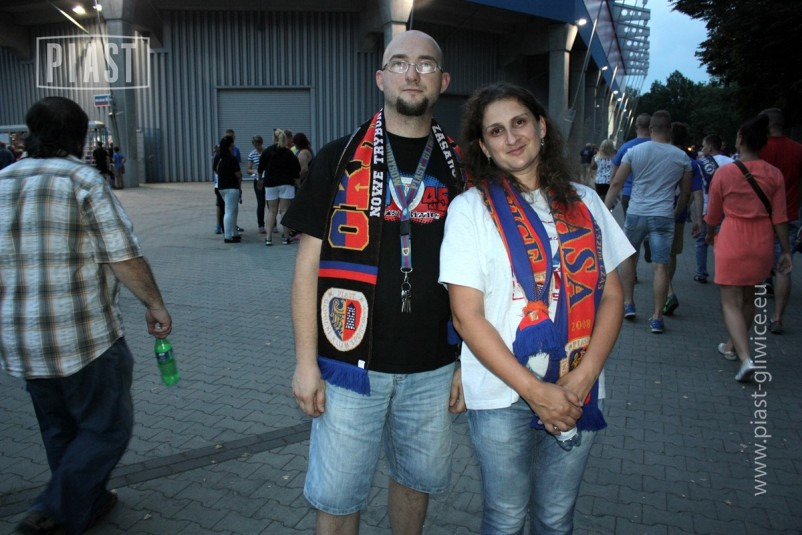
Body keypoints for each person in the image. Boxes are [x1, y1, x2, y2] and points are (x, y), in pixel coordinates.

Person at [282, 30, 464, 535]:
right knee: (338, 498)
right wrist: (305, 363)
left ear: (443, 81)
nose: (413, 73)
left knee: (415, 484)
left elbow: (481, 276)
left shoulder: (463, 166)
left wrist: (468, 363)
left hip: (434, 366)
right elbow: (307, 268)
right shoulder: (339, 158)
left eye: (426, 64)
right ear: (381, 78)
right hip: (347, 367)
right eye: (400, 63)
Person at [440, 82, 633, 534]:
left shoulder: (585, 201)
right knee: (506, 518)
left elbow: (612, 295)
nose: (512, 138)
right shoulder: (469, 210)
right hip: (501, 393)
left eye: (519, 122)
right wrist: (535, 391)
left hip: (577, 386)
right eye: (496, 131)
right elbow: (466, 316)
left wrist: (582, 379)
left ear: (541, 127)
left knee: (556, 517)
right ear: (483, 146)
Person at [0, 96, 172, 535]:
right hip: (84, 338)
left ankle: (85, 503)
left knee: (59, 429)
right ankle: (52, 510)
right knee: (108, 428)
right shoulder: (82, 180)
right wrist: (154, 304)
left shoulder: (2, 181)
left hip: (22, 340)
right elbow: (122, 256)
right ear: (78, 136)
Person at [705, 114, 791, 381]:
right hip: (762, 240)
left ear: (740, 139)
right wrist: (786, 250)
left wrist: (709, 234)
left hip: (733, 237)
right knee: (751, 298)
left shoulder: (725, 173)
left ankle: (745, 358)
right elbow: (780, 217)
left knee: (730, 302)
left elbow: (713, 215)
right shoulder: (774, 174)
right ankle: (732, 346)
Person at [604, 110, 692, 334]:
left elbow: (616, 183)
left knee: (628, 257)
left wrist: (604, 211)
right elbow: (685, 193)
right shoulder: (682, 157)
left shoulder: (634, 152)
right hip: (663, 215)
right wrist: (676, 212)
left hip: (636, 212)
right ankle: (657, 317)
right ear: (669, 130)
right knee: (660, 266)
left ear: (651, 128)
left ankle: (629, 304)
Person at [759, 108, 802, 334]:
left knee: (755, 262)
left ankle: (750, 310)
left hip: (759, 216)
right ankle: (777, 318)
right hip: (789, 214)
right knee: (784, 267)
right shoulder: (798, 150)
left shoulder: (759, 148)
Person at [663, 122, 704, 317]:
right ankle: (666, 288)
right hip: (677, 215)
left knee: (658, 255)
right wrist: (698, 219)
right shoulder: (692, 162)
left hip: (656, 211)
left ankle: (667, 291)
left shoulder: (661, 155)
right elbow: (696, 193)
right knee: (671, 253)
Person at [695, 134, 734, 284]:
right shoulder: (732, 162)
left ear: (710, 147)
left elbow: (698, 188)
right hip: (727, 208)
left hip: (708, 207)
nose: (702, 148)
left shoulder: (701, 164)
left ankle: (701, 273)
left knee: (702, 241)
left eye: (704, 145)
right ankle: (725, 273)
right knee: (724, 242)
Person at [258, 129, 300, 246]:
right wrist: (297, 181)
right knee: (284, 211)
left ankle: (268, 238)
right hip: (286, 184)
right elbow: (296, 169)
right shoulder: (288, 153)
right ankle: (286, 237)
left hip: (270, 184)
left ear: (273, 138)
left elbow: (260, 168)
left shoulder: (267, 151)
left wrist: (260, 180)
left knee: (272, 211)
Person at [213, 135, 242, 243]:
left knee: (233, 210)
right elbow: (238, 174)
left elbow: (215, 170)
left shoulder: (218, 157)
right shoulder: (232, 158)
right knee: (230, 212)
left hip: (221, 187)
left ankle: (234, 233)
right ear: (230, 145)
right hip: (232, 187)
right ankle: (228, 235)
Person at [247, 135, 267, 234]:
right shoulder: (252, 154)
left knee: (271, 203)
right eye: (255, 145)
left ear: (261, 143)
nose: (257, 147)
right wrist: (255, 171)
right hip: (258, 180)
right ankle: (261, 225)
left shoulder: (267, 152)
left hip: (268, 179)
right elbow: (248, 169)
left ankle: (274, 224)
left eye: (258, 144)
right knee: (261, 203)